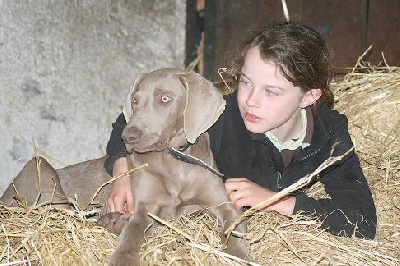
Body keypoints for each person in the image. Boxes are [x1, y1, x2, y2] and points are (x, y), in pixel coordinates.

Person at [104, 21, 377, 239]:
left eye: (271, 92)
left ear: (308, 97)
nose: (251, 100)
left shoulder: (328, 137)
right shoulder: (219, 116)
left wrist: (276, 201)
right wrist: (121, 170)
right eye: (246, 83)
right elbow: (126, 123)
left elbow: (361, 221)